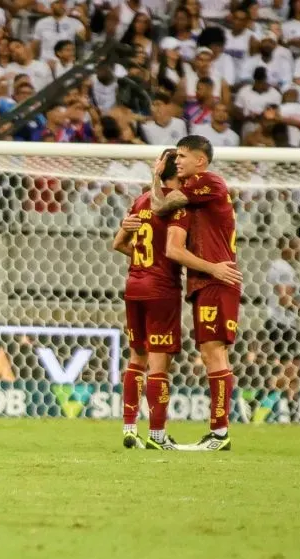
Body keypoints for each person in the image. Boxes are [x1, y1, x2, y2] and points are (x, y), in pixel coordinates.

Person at [151, 136, 243, 451]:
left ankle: (219, 433)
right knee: (210, 354)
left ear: (200, 160)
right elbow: (162, 208)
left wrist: (214, 269)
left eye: (182, 156)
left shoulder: (209, 182)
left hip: (217, 279)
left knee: (214, 353)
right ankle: (218, 432)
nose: (177, 161)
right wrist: (156, 178)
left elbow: (160, 207)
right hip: (207, 280)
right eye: (175, 157)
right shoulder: (192, 197)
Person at [111, 149, 187, 450]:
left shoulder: (141, 200)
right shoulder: (177, 202)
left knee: (136, 358)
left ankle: (129, 428)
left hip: (135, 284)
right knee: (158, 364)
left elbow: (118, 244)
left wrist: (145, 261)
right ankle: (157, 435)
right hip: (161, 289)